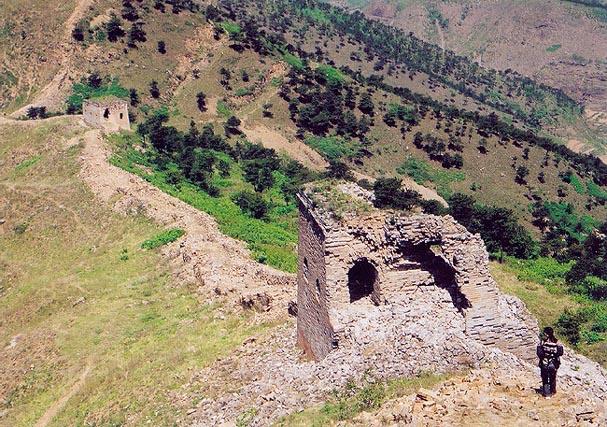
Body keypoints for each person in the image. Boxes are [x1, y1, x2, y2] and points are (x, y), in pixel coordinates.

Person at [536, 326, 564, 398]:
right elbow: (560, 352)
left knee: (545, 377)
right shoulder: (557, 341)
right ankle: (553, 391)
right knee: (553, 377)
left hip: (544, 362)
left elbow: (539, 353)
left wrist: (544, 356)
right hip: (554, 363)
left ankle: (546, 393)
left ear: (546, 334)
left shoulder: (542, 342)